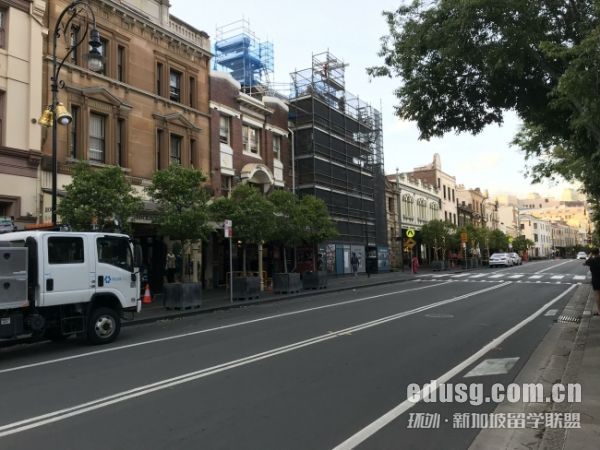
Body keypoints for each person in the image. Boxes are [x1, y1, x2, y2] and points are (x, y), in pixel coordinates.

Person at [584, 248, 600, 316]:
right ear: (598, 252)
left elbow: (585, 263)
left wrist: (590, 256)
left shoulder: (592, 260)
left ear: (592, 253)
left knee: (597, 295)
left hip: (596, 280)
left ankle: (599, 311)